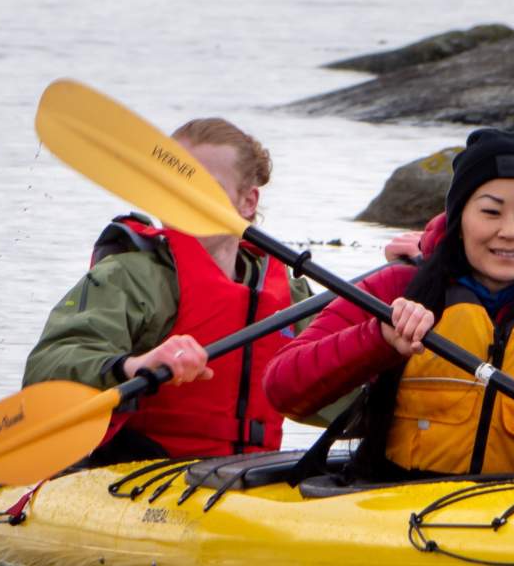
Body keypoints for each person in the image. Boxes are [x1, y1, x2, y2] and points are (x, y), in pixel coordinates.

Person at [263, 129, 514, 481]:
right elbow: (283, 386)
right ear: (459, 220)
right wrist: (379, 338)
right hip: (395, 504)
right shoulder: (396, 289)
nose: (511, 232)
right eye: (490, 212)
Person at [23, 116, 324, 463]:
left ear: (248, 202)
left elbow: (343, 398)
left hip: (250, 478)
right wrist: (132, 366)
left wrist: (398, 293)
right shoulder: (131, 277)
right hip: (137, 472)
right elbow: (45, 370)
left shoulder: (289, 295)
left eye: (204, 187)